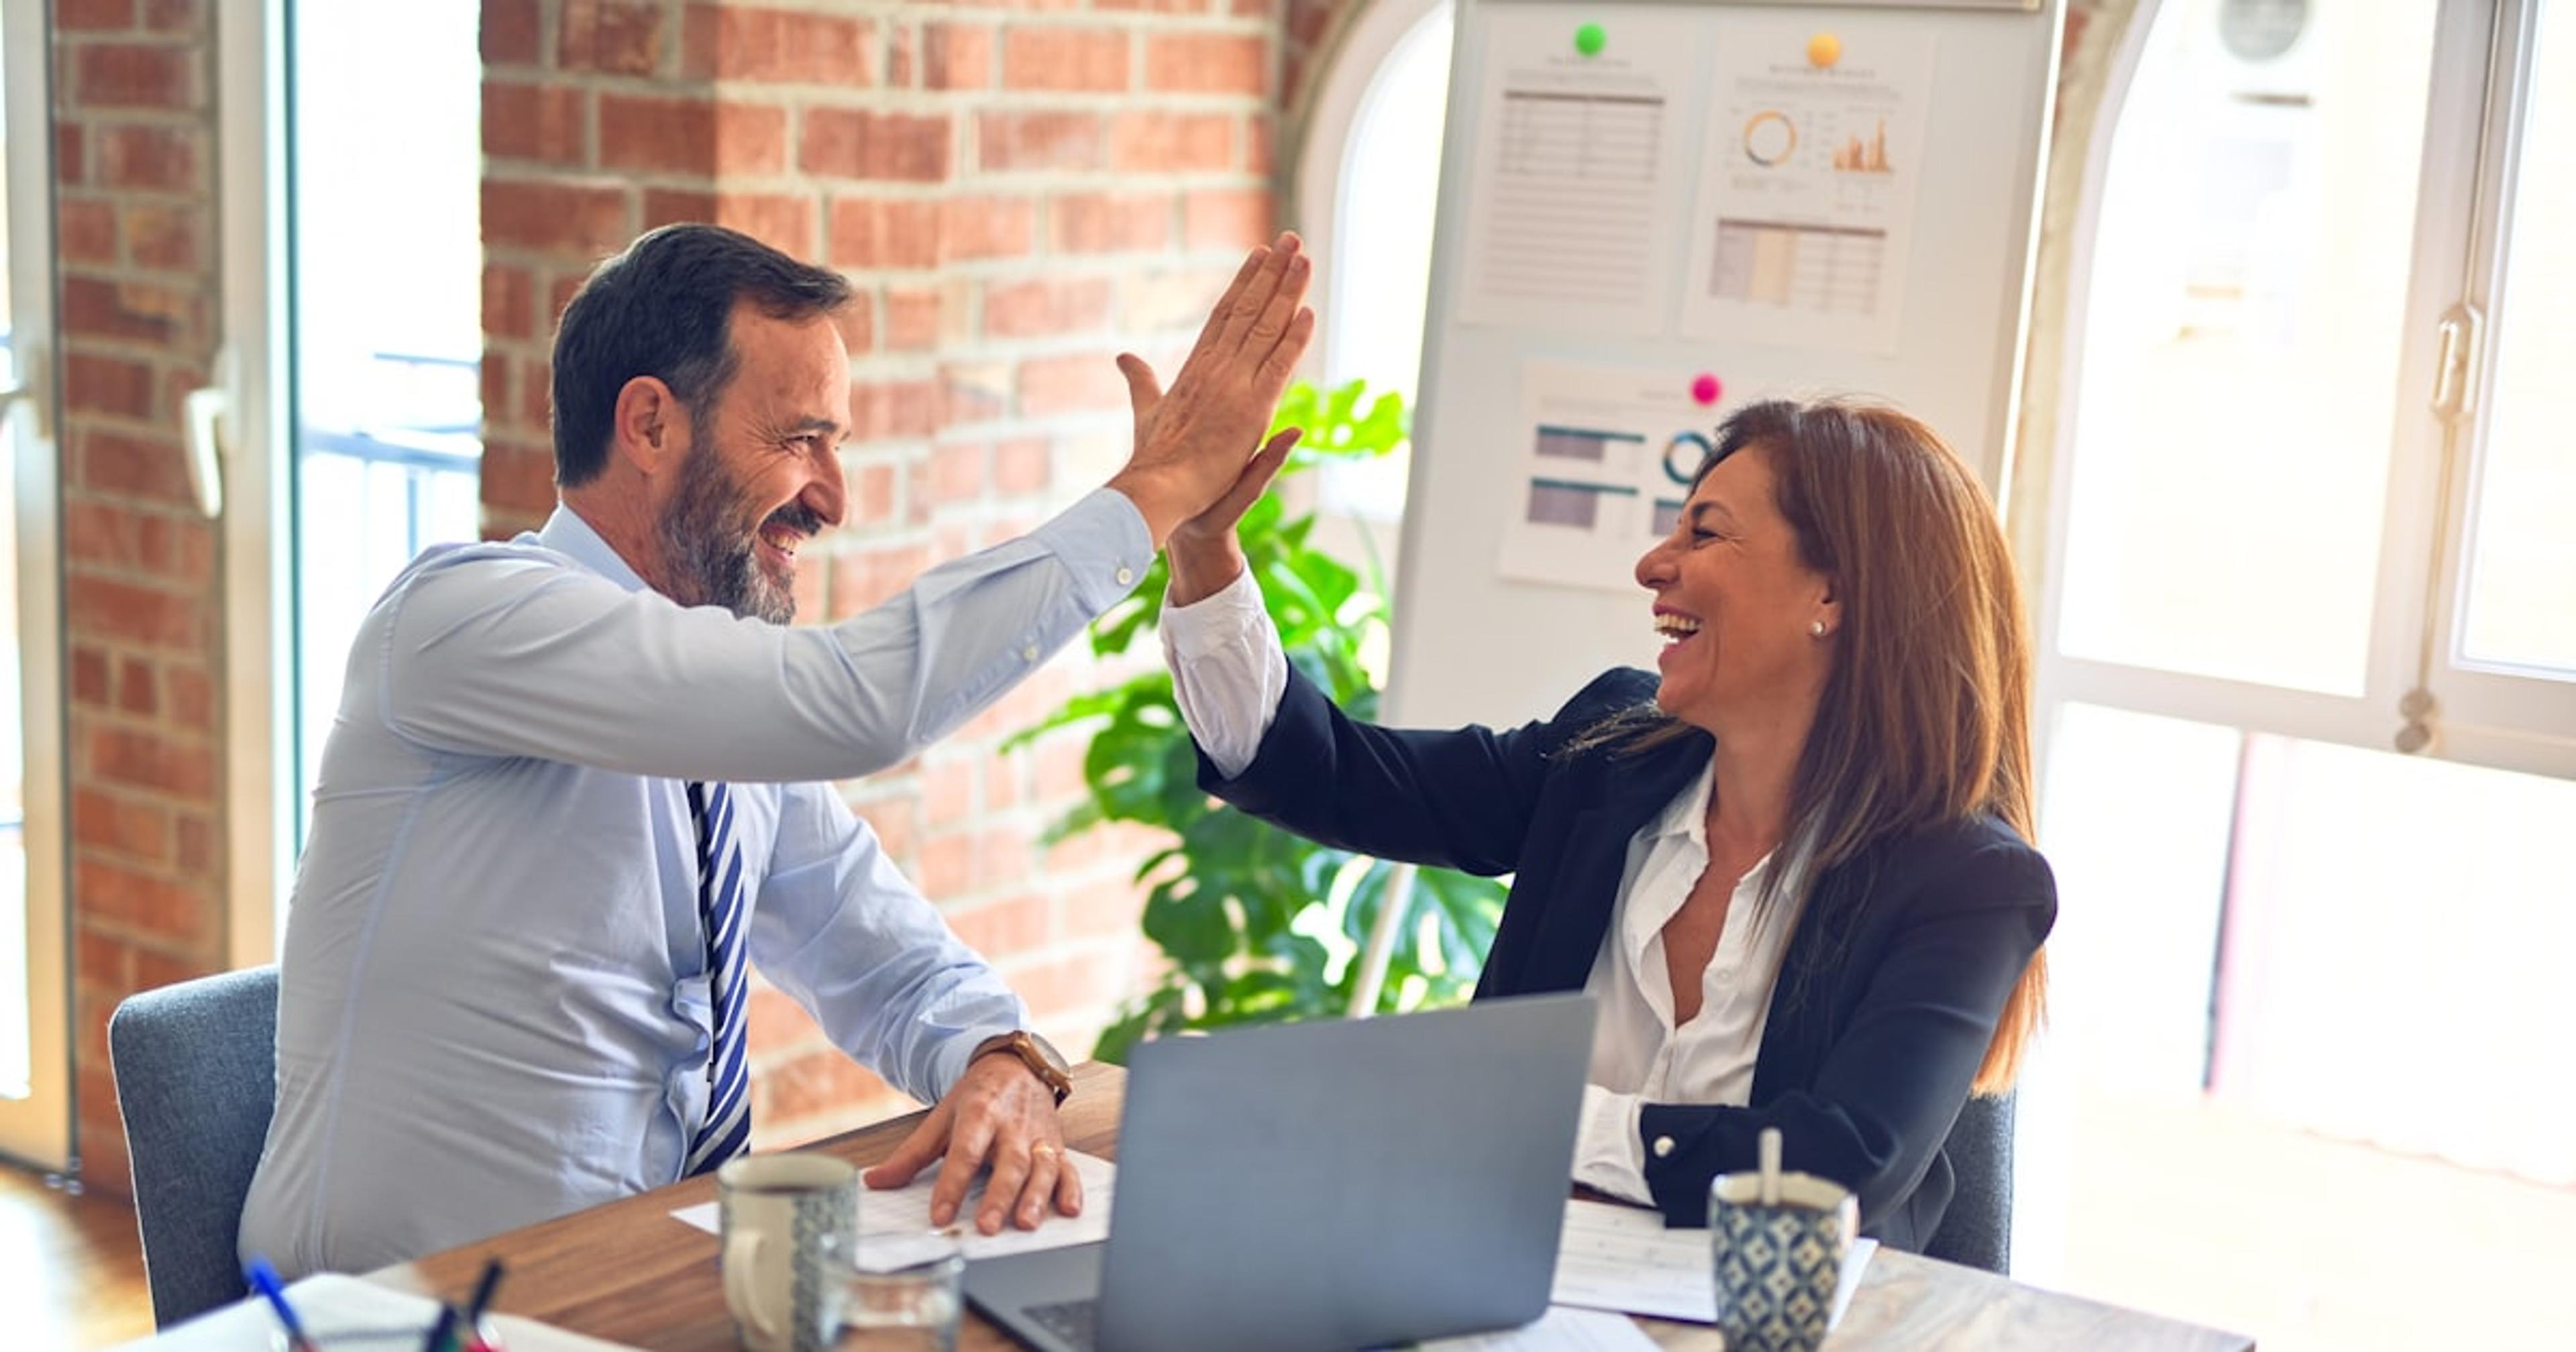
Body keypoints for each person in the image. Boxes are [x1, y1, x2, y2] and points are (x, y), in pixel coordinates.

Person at [240, 223, 1316, 1276]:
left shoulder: (720, 721)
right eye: (802, 438)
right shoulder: (463, 620)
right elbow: (859, 704)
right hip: (395, 1316)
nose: (833, 498)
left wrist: (1002, 1058)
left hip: (636, 1286)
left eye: (836, 445)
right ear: (651, 426)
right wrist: (1157, 491)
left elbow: (882, 955)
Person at [1157, 396, 2055, 1251]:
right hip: (1503, 1294)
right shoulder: (1609, 758)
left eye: (1704, 532)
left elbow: (1835, 1170)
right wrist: (1204, 550)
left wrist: (1532, 1118)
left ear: (1833, 595)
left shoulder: (1967, 882)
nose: (1654, 565)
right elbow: (1333, 776)